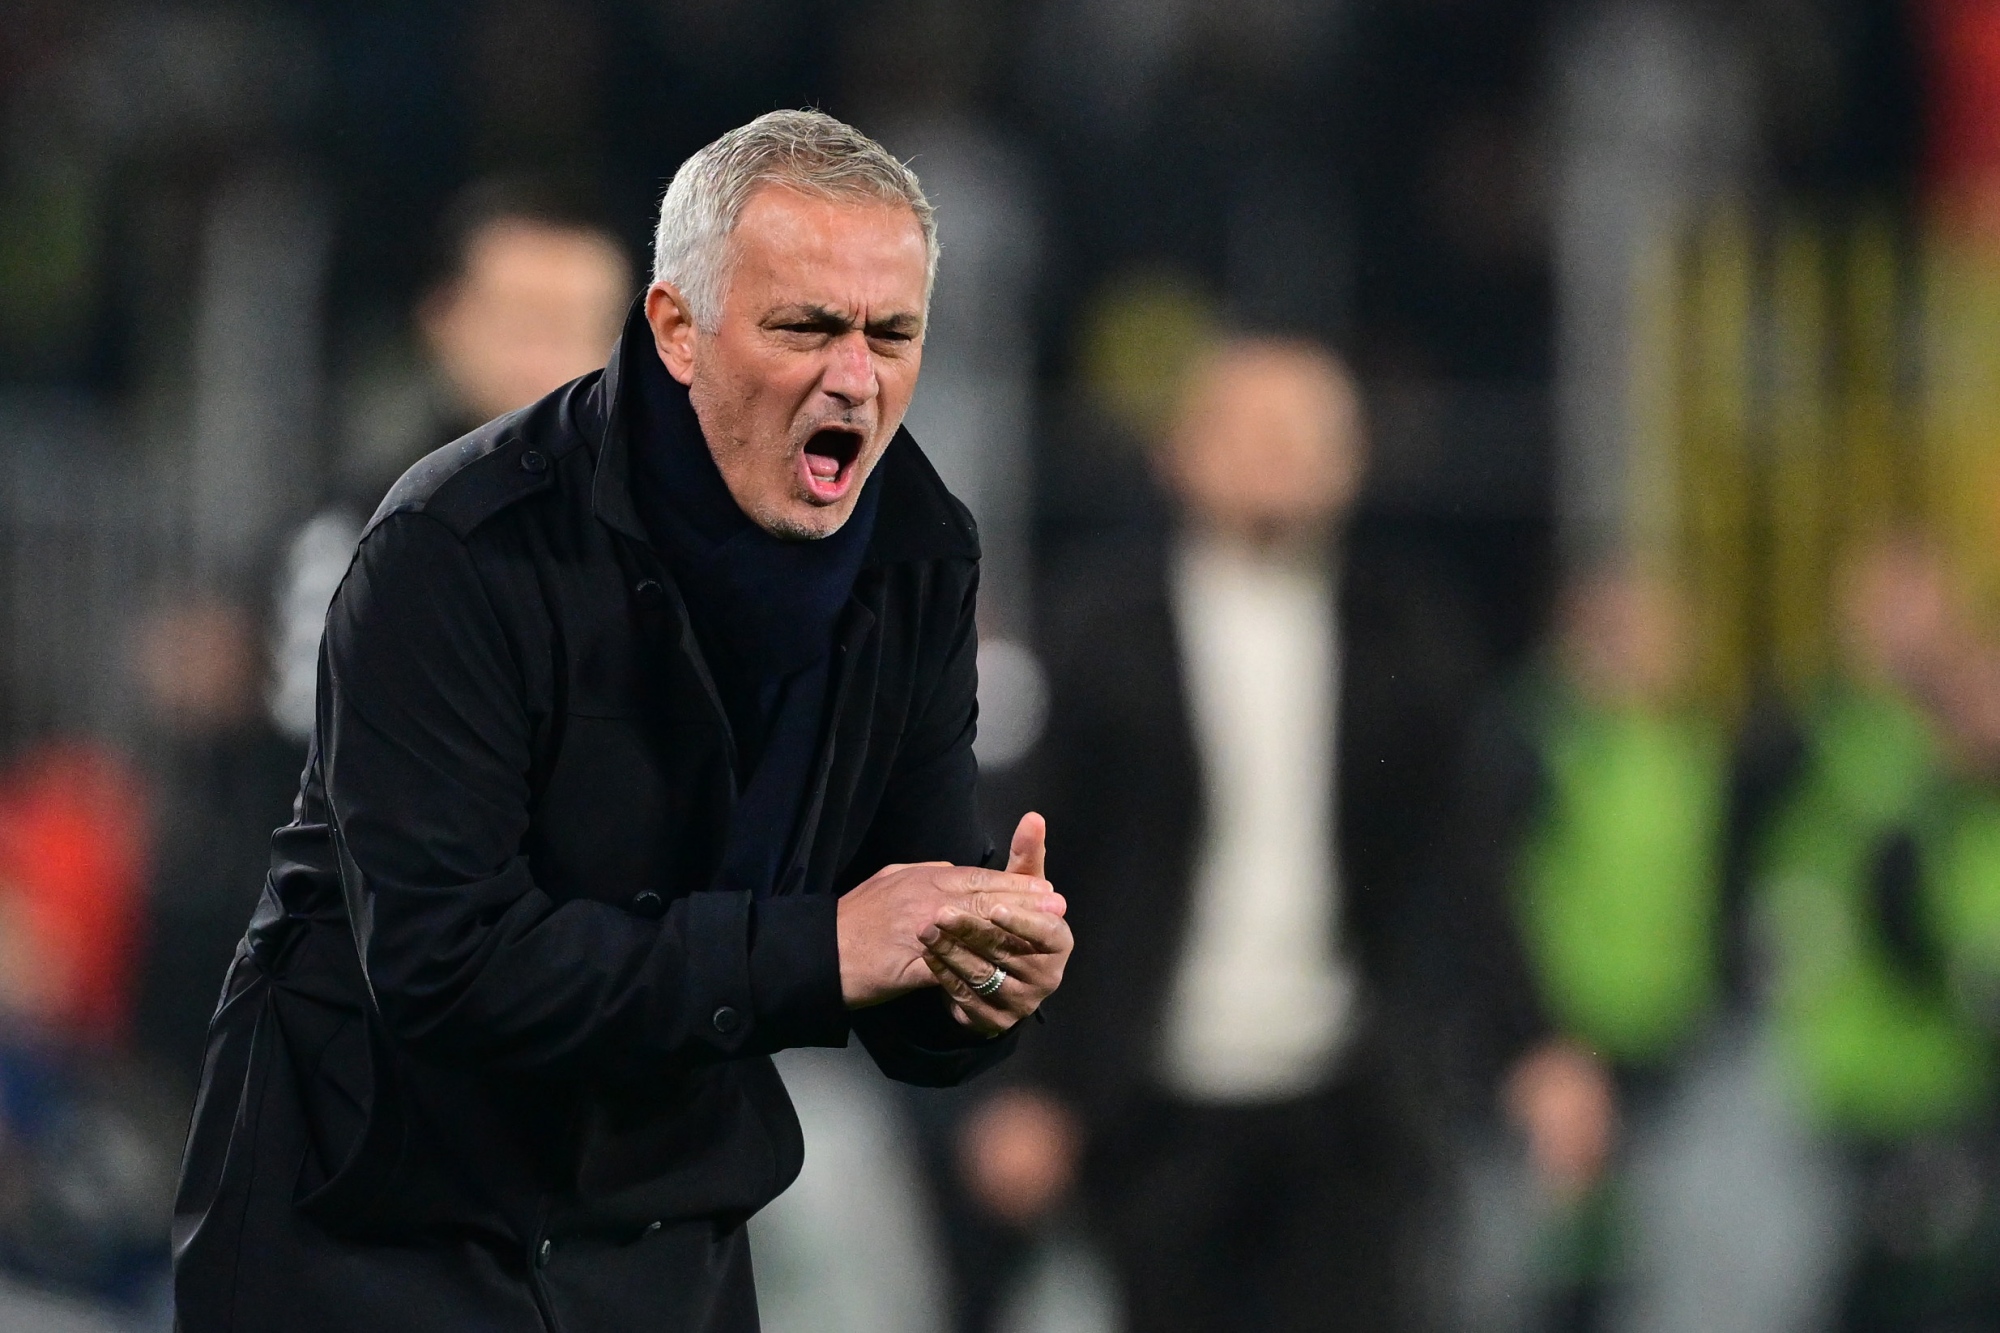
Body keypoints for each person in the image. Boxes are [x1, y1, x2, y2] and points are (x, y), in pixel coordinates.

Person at [171, 110, 1073, 1333]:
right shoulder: (452, 546)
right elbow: (445, 964)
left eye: (890, 333)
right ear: (675, 330)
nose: (854, 376)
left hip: (659, 1233)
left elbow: (898, 939)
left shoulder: (915, 556)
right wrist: (819, 948)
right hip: (380, 1230)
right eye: (804, 327)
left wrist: (974, 980)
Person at [967, 337, 1482, 1332]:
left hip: (1347, 1102)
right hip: (1151, 1103)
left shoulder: (1405, 630)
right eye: (1247, 429)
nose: (1276, 455)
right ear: (1179, 452)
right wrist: (1027, 1081)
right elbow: (1041, 860)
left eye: (1305, 433)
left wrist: (1531, 1046)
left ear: (1352, 460)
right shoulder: (1103, 627)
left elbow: (1458, 856)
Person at [267, 179, 633, 743]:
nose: (544, 359)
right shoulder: (359, 538)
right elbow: (321, 758)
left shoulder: (671, 534)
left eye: (574, 327)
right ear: (444, 319)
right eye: (521, 323)